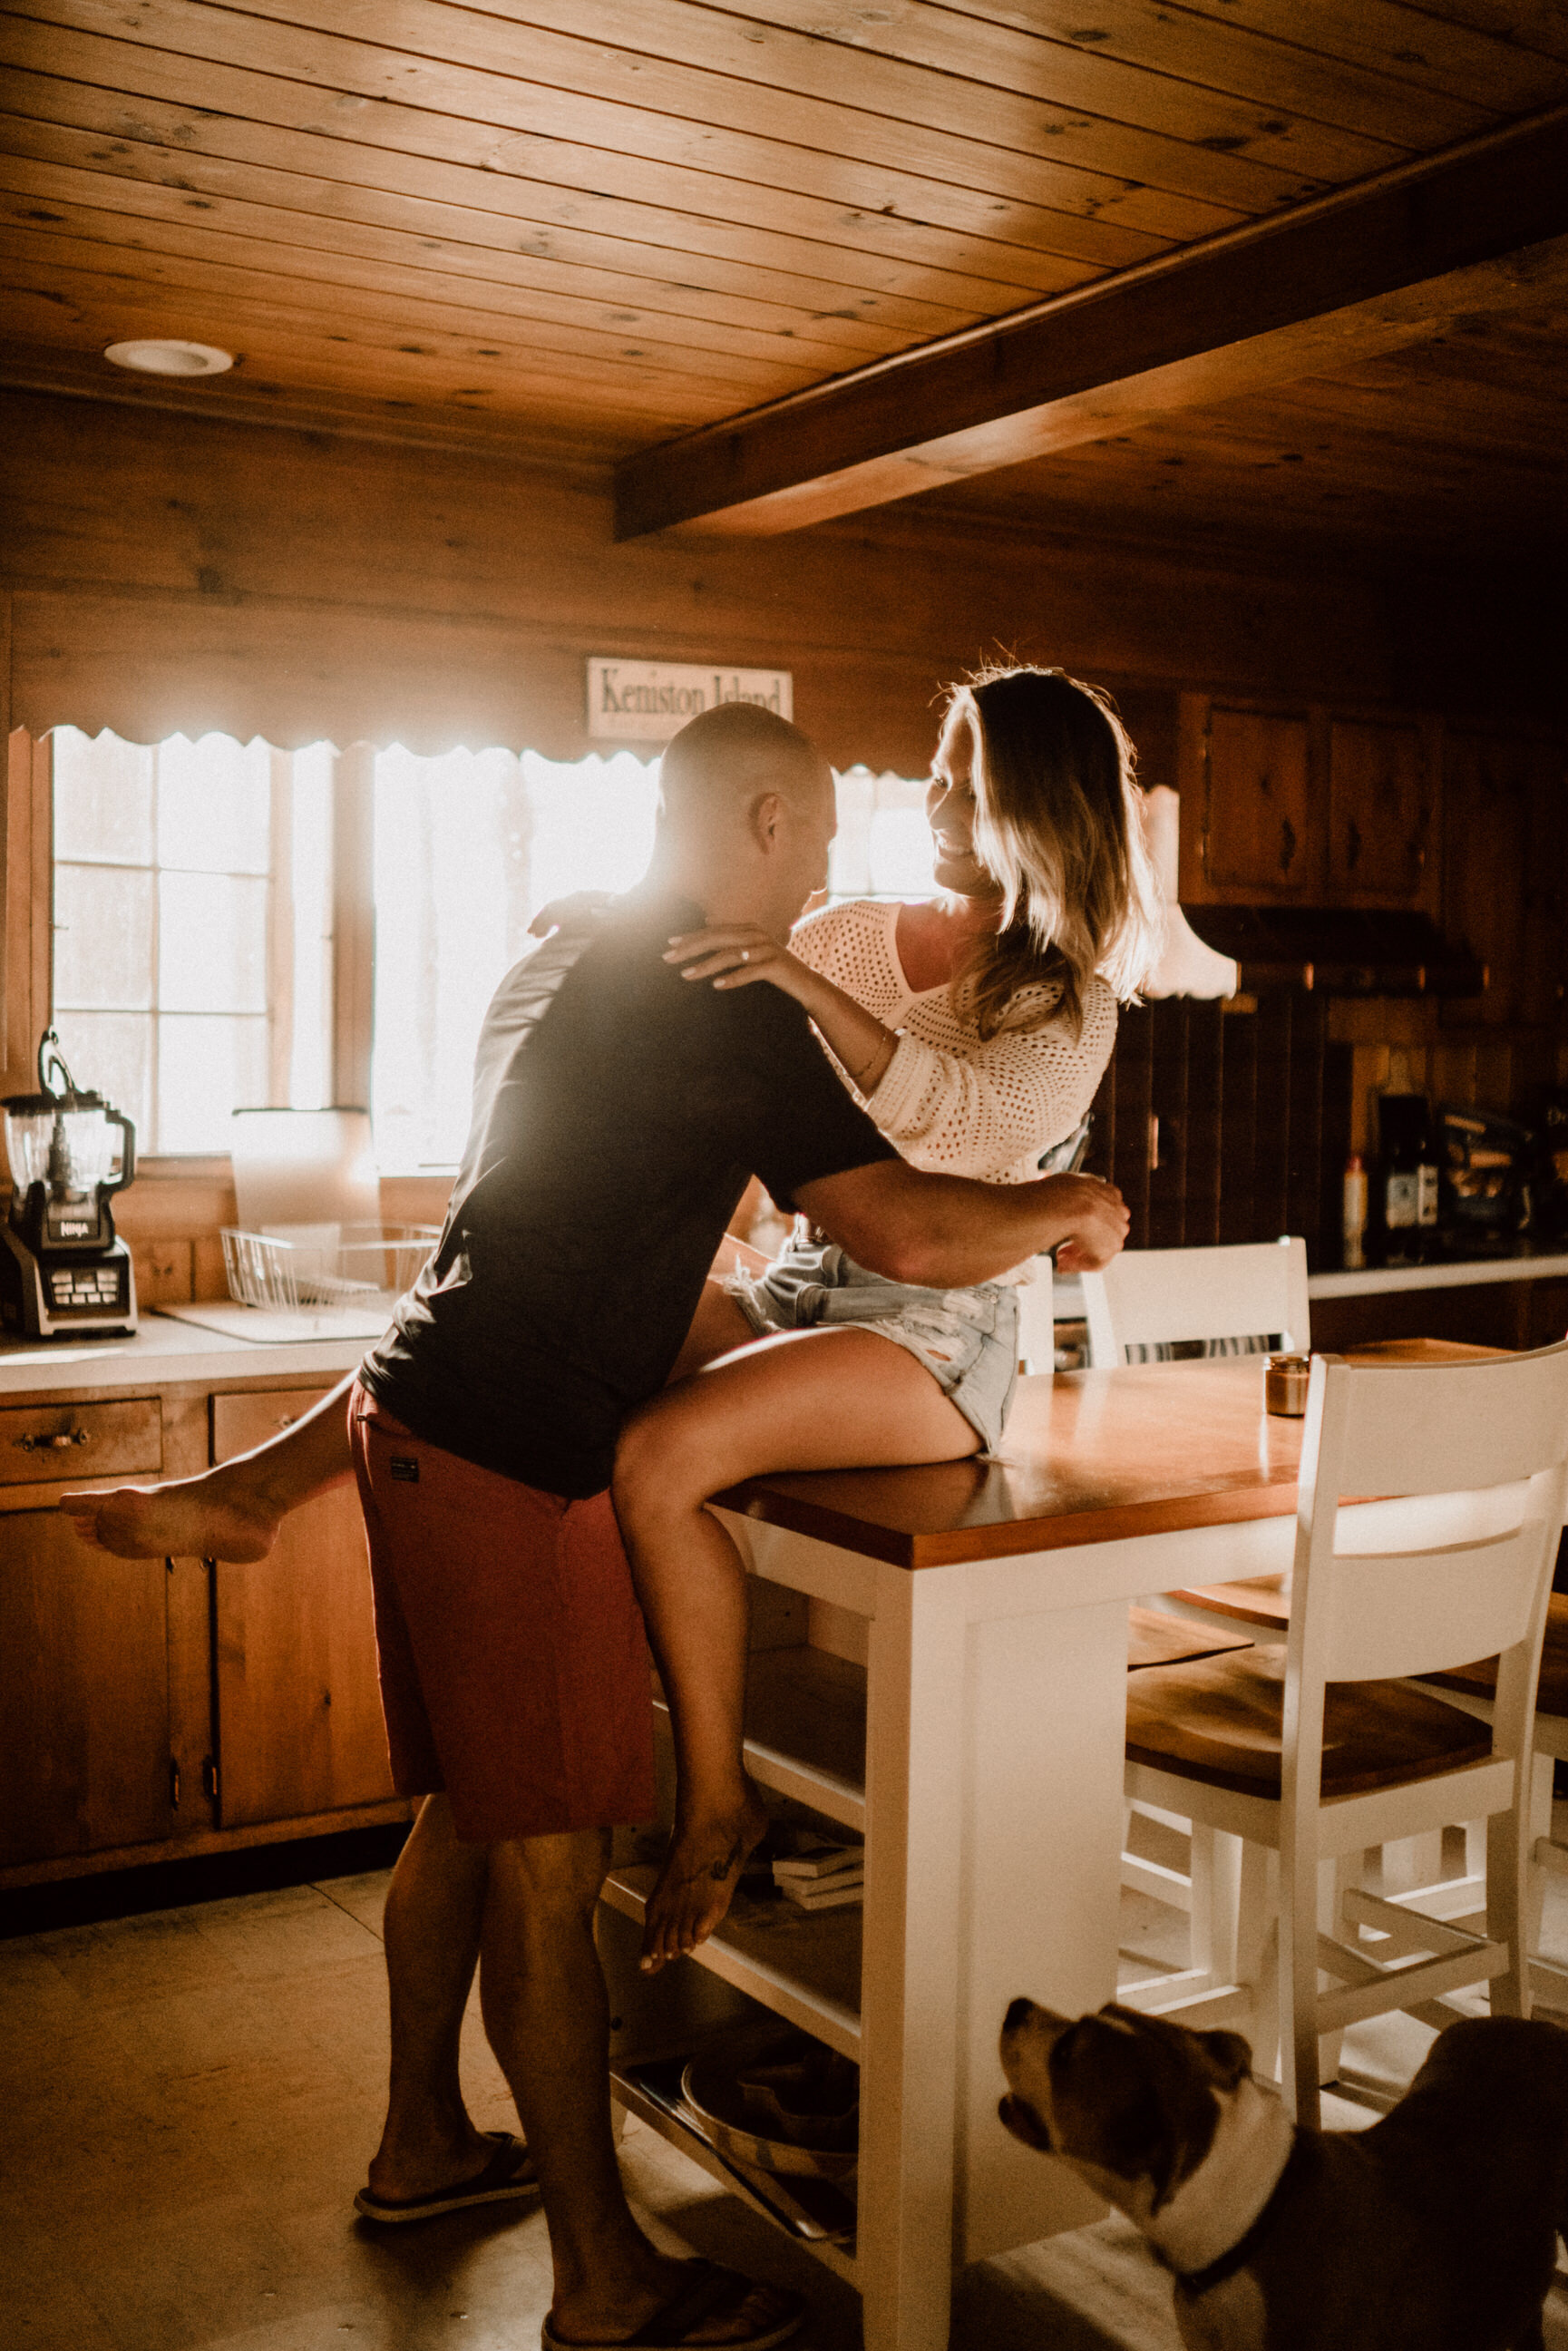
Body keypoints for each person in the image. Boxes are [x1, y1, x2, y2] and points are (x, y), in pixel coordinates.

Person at [62, 700, 1129, 2351]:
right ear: (767, 823)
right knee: (550, 1880)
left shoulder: (617, 956)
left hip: (411, 1416)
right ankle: (604, 2282)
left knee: (465, 1819)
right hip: (507, 1461)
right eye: (827, 826)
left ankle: (423, 2145)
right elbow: (909, 1233)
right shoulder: (726, 1000)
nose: (844, 856)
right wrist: (1069, 1203)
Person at [616, 667, 1159, 1972]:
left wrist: (799, 990)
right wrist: (609, 932)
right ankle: (596, 1764)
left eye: (969, 784)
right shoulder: (853, 931)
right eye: (936, 769)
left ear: (1038, 811)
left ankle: (714, 1797)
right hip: (805, 1285)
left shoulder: (1064, 1001)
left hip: (935, 1336)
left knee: (658, 1460)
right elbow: (725, 1042)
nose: (935, 798)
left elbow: (946, 1136)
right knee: (587, 1336)